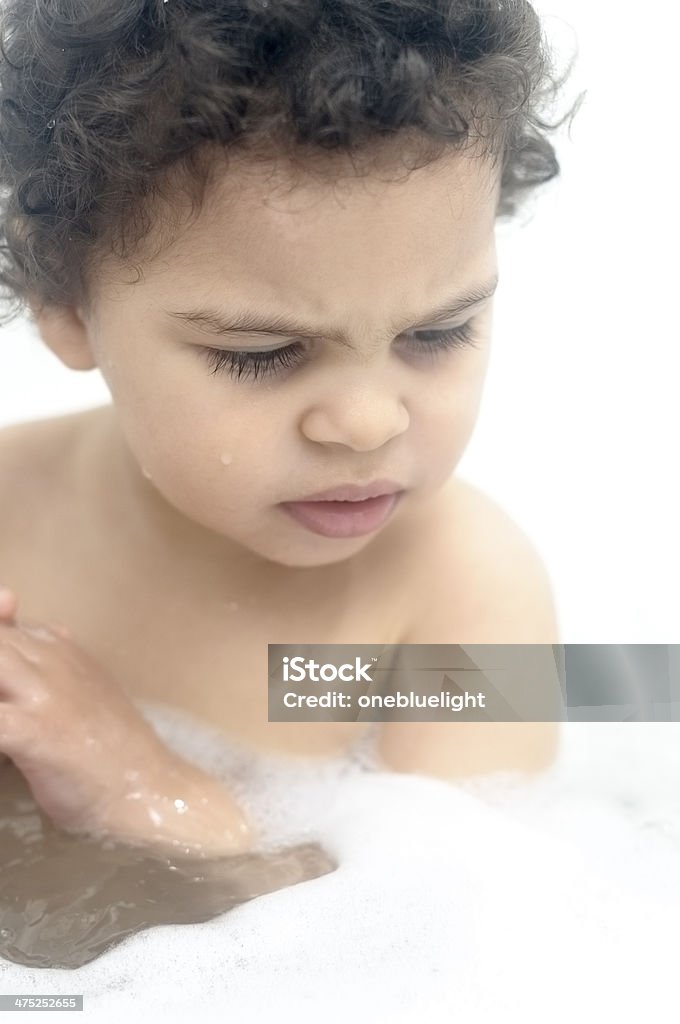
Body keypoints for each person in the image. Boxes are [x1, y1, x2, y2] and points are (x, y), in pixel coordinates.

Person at [0, 0, 575, 865]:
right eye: (265, 353)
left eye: (437, 333)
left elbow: (442, 934)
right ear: (65, 304)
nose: (368, 422)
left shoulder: (467, 600)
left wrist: (146, 787)